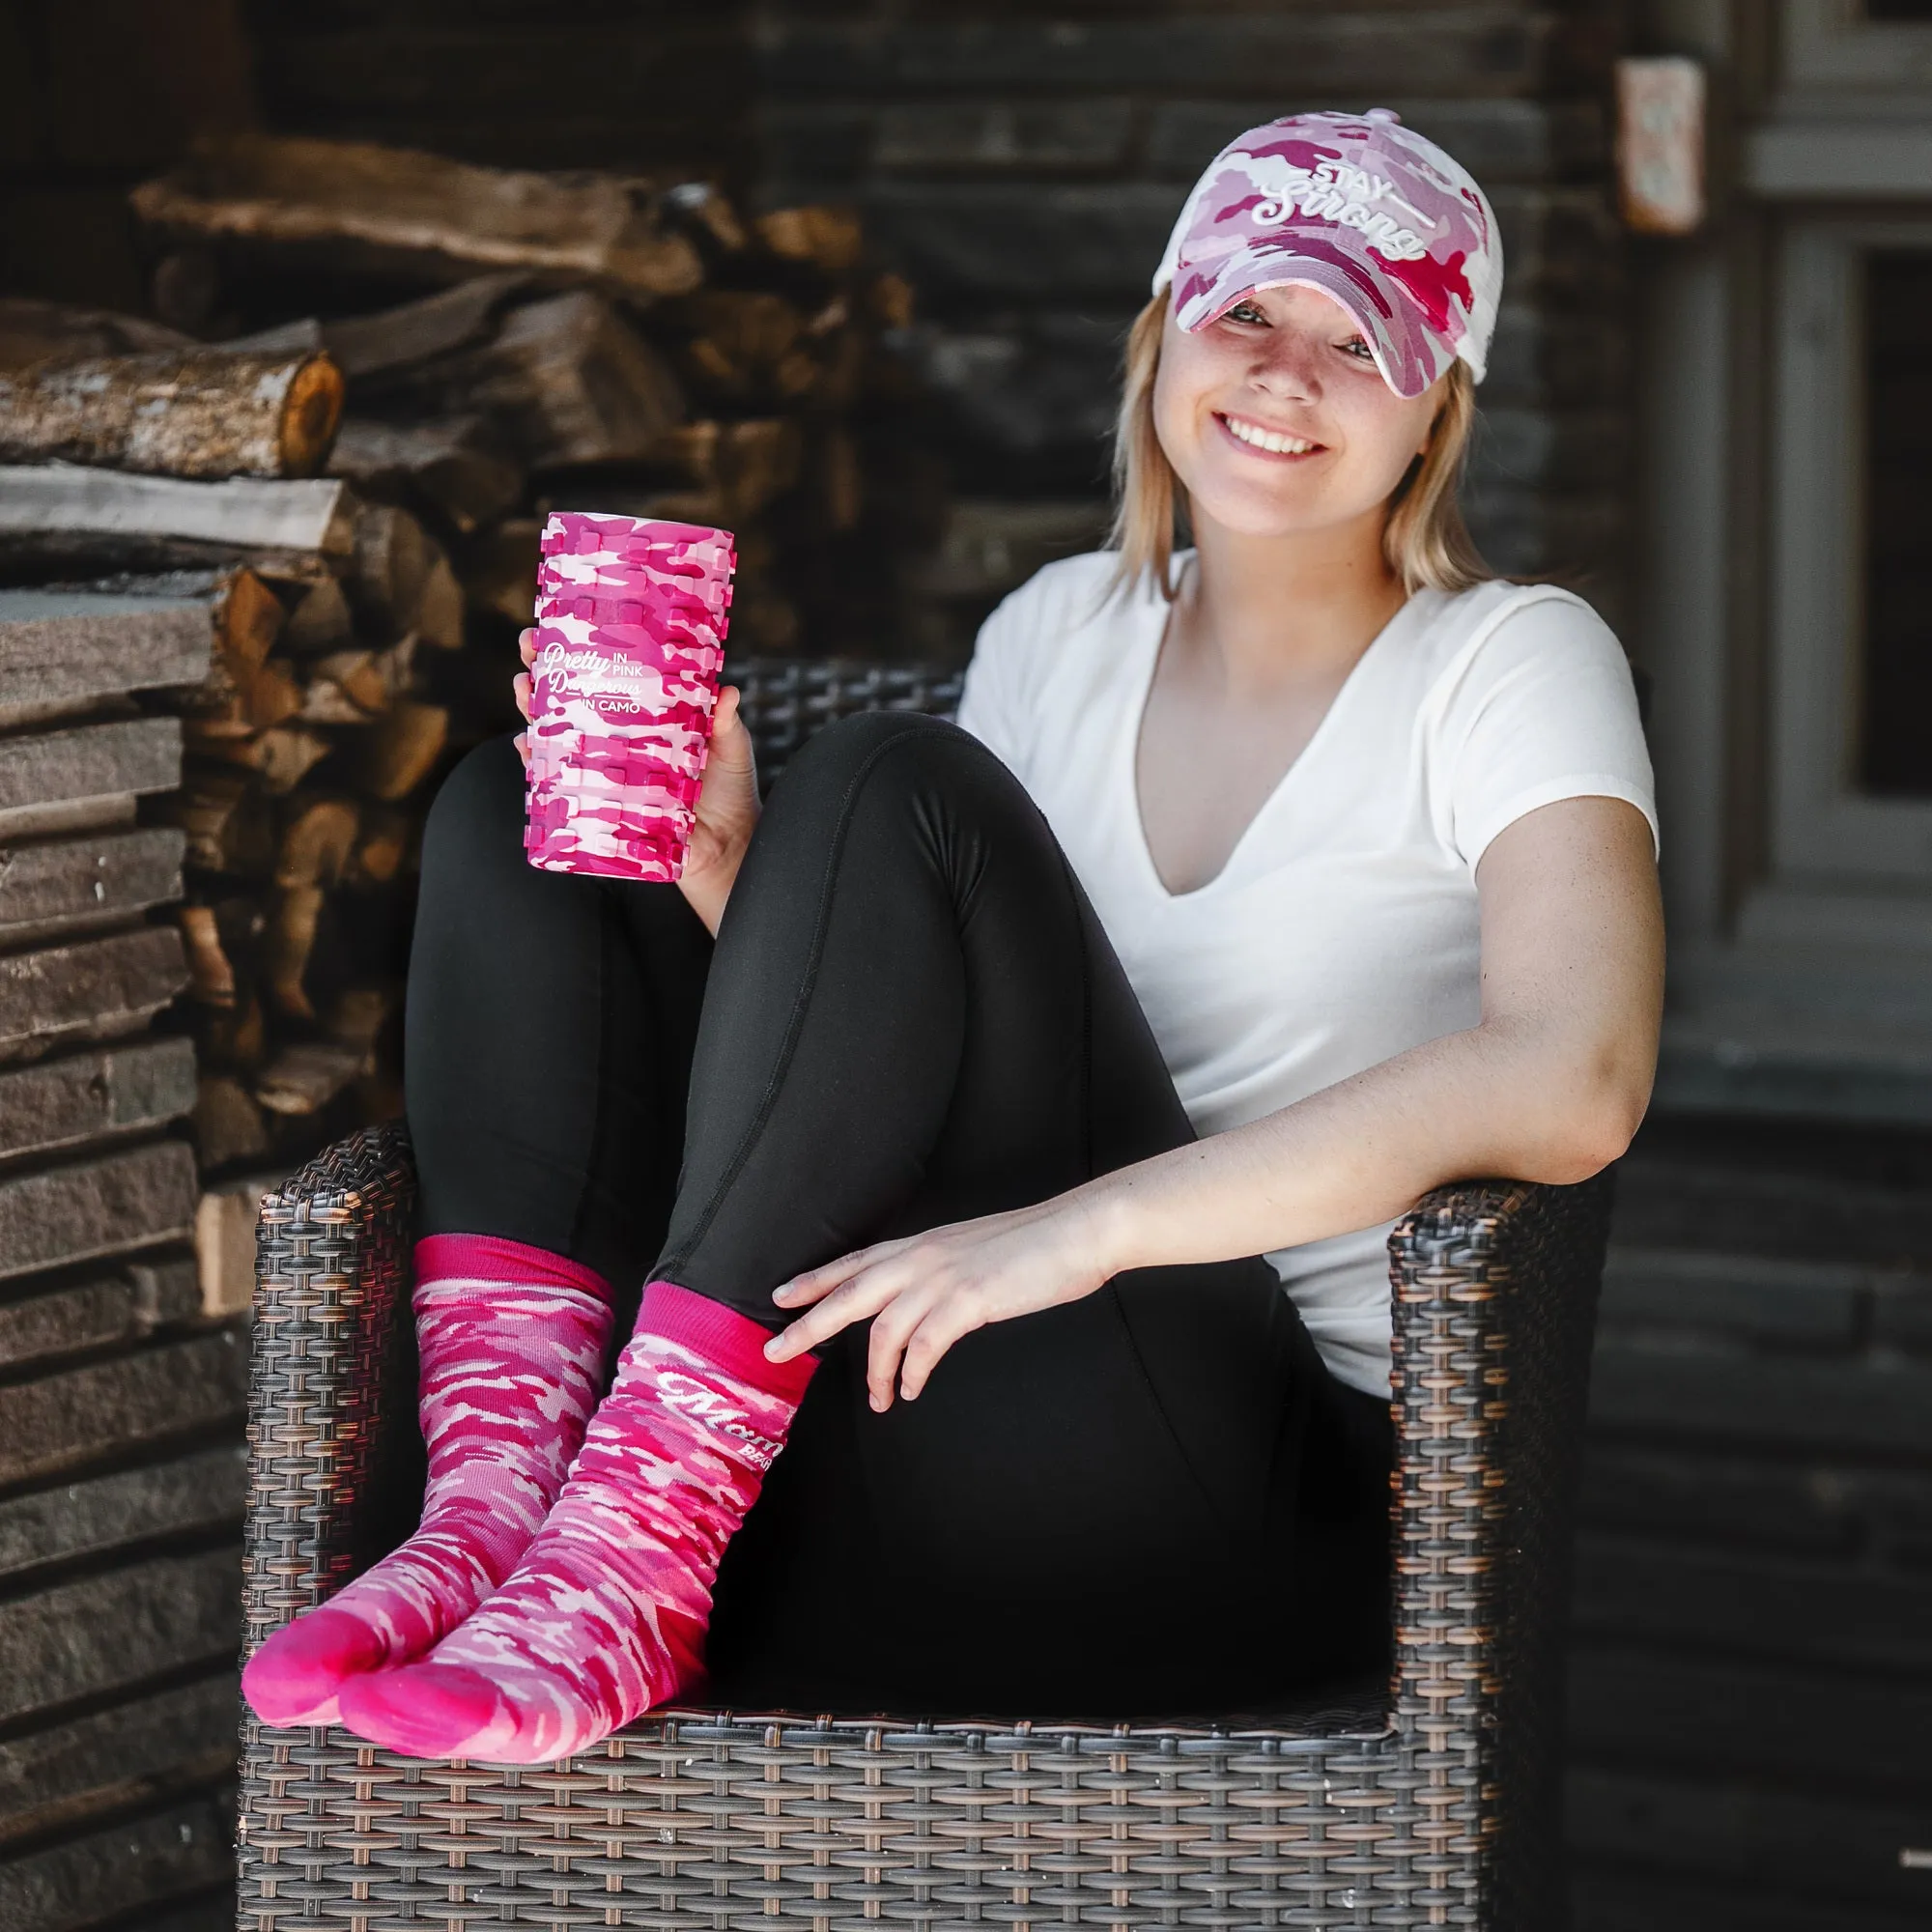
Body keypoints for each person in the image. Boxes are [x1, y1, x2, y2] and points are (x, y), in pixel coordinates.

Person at [241, 109, 1662, 1765]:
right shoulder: (1054, 630)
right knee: (527, 807)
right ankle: (508, 1512)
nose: (1287, 377)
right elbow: (914, 1052)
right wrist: (729, 885)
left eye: (1363, 343)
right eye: (1250, 313)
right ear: (1165, 331)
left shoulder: (1510, 659)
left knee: (899, 782)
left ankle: (631, 1528)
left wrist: (1079, 1233)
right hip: (922, 1417)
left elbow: (1578, 1075)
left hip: (1230, 1515)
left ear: (1437, 410)